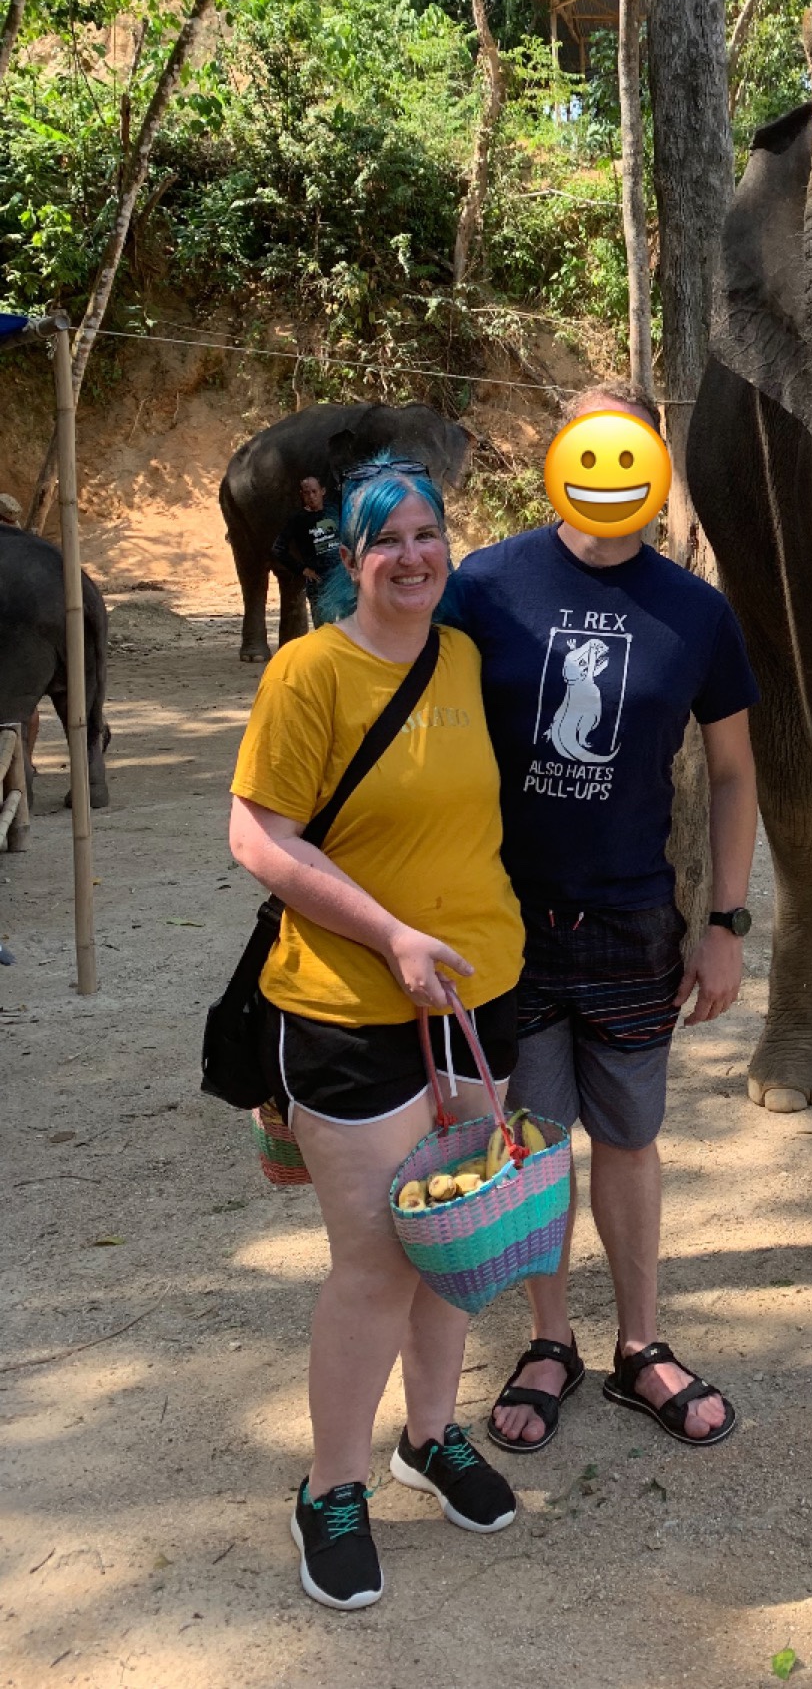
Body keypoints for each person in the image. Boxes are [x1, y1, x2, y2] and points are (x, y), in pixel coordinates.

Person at [228, 454, 525, 1611]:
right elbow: (258, 838)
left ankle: (432, 1436)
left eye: (426, 533)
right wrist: (391, 934)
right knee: (376, 1262)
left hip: (477, 994)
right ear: (349, 560)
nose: (411, 555)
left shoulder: (465, 658)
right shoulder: (310, 671)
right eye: (385, 539)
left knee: (456, 1240)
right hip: (349, 1006)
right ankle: (332, 1488)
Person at [441, 382, 759, 1454]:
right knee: (533, 1144)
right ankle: (549, 1341)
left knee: (628, 1136)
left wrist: (727, 921)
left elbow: (733, 772)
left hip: (632, 917)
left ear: (657, 468)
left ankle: (638, 1344)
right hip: (503, 922)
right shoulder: (484, 586)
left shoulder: (696, 611)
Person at [272, 475, 342, 620]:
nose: (311, 496)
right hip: (318, 583)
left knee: (348, 626)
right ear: (302, 495)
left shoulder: (334, 510)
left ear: (322, 491)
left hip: (341, 578)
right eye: (306, 493)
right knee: (325, 628)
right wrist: (302, 569)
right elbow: (278, 549)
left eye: (314, 491)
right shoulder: (298, 519)